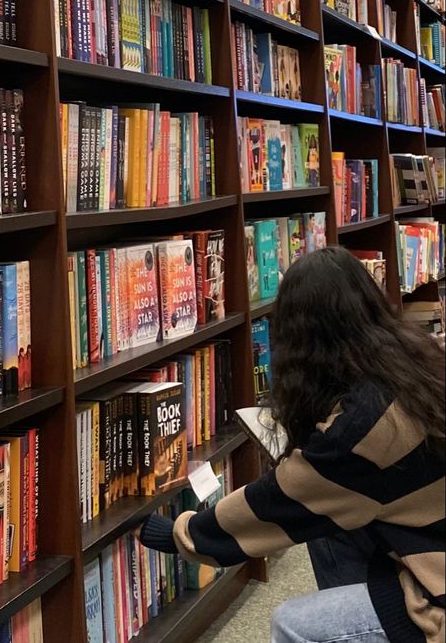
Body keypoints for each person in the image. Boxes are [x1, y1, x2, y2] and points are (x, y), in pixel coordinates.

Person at [136, 247, 445, 643]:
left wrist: (185, 534)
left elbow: (281, 498)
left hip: (436, 584)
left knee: (293, 622)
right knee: (328, 524)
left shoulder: (363, 430)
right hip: (428, 539)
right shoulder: (414, 363)